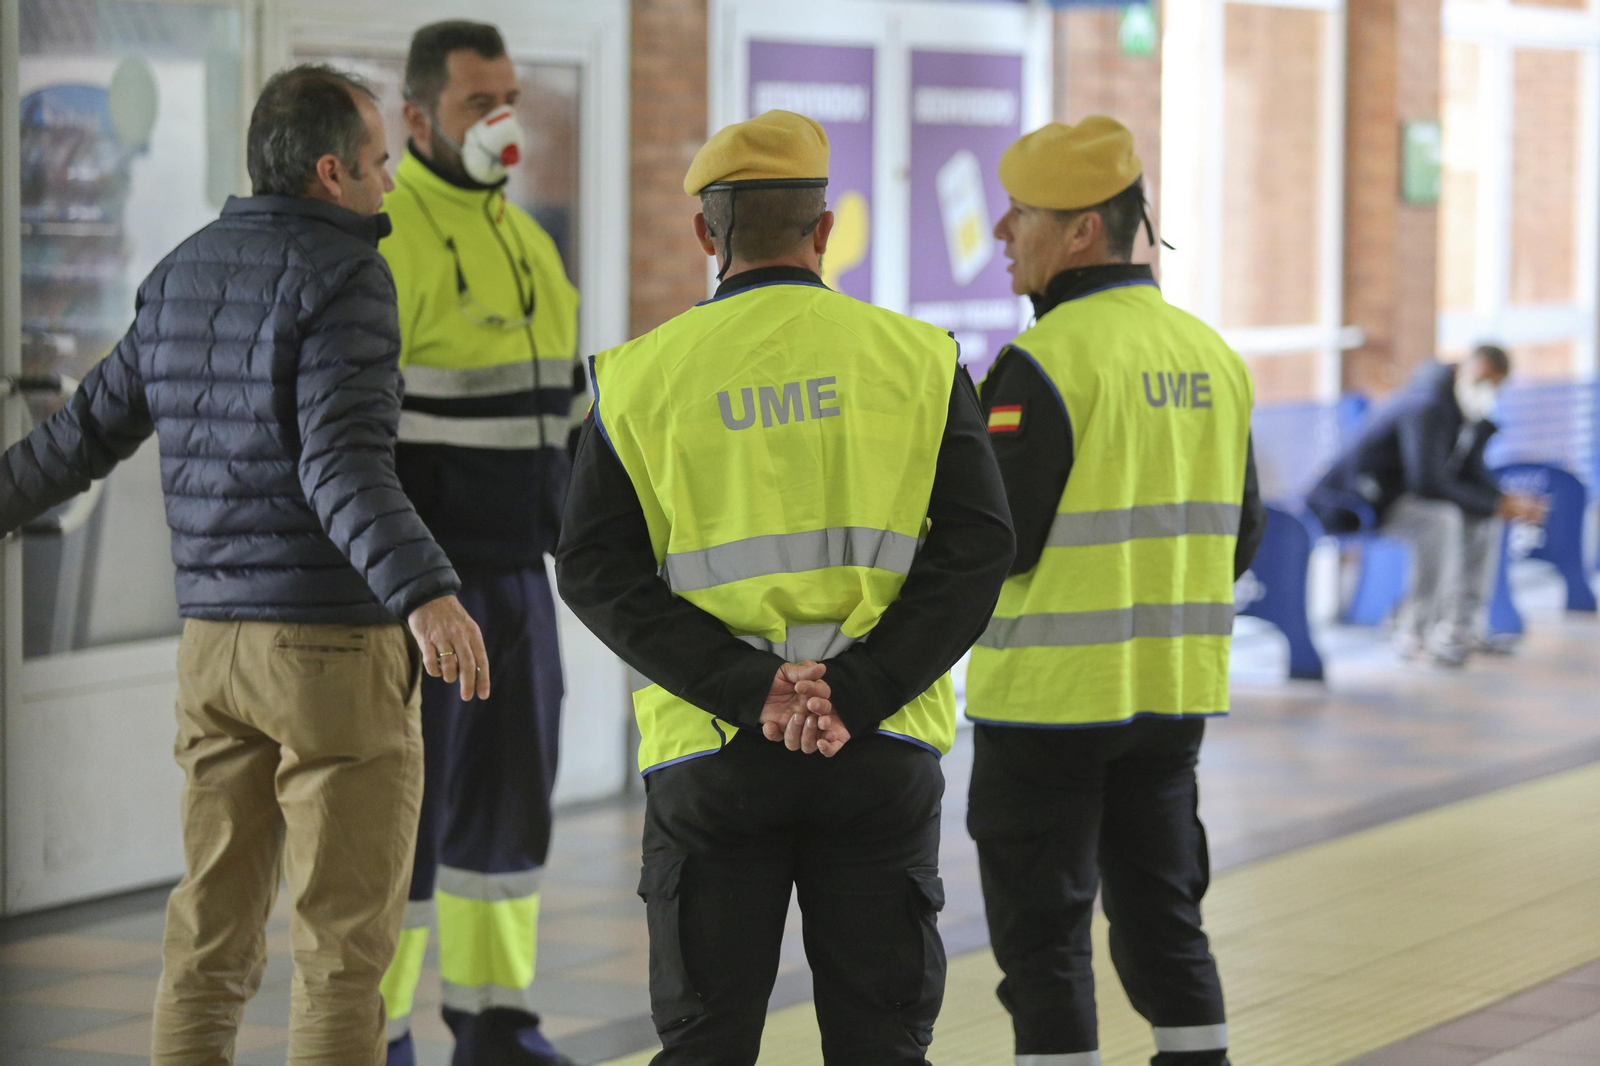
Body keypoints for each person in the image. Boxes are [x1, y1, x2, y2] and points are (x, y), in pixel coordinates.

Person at [0, 65, 490, 1065]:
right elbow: (340, 461)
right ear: (329, 171)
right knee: (343, 954)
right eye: (378, 163)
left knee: (207, 939)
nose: (388, 183)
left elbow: (82, 435)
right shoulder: (348, 276)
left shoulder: (184, 269)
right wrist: (427, 590)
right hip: (329, 655)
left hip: (213, 654)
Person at [555, 110, 1014, 1065]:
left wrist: (749, 688)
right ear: (825, 229)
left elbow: (595, 567)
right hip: (878, 747)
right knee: (881, 1044)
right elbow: (977, 548)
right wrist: (858, 688)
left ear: (704, 234)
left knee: (707, 1043)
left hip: (711, 753)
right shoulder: (922, 361)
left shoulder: (638, 380)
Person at [963, 116, 1265, 1066]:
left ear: (1083, 230)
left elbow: (997, 542)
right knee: (1165, 916)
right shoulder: (1210, 353)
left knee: (1044, 942)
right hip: (1173, 695)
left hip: (1049, 706)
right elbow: (1242, 530)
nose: (1004, 234)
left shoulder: (1046, 360)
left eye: (1021, 216)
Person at [373, 21, 583, 1066]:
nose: (502, 120)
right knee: (399, 823)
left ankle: (496, 1020)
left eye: (507, 98)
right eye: (475, 103)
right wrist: (408, 585)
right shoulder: (386, 241)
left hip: (518, 581)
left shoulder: (530, 239)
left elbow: (567, 414)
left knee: (508, 812)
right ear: (415, 118)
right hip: (421, 593)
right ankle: (378, 1031)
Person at [1308, 344, 1544, 666]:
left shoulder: (1463, 407)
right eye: (1489, 380)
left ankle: (1460, 627)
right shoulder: (1426, 405)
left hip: (1398, 498)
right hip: (1357, 503)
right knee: (1441, 520)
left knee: (1483, 518)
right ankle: (1414, 632)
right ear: (1475, 367)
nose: (1492, 391)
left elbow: (1470, 469)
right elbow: (1427, 482)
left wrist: (1501, 501)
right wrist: (1494, 503)